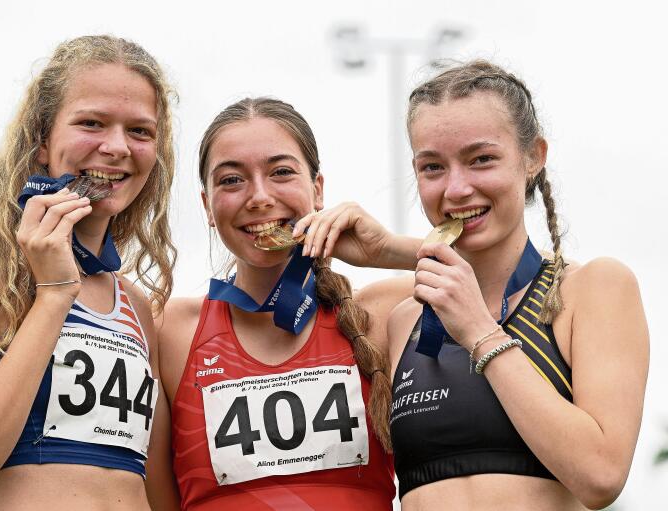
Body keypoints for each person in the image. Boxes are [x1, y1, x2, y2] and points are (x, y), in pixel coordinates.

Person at [303, 60, 649, 510]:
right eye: (432, 168)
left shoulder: (592, 290)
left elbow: (601, 475)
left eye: (481, 159)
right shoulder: (400, 312)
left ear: (533, 157)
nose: (457, 188)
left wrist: (480, 332)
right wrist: (387, 250)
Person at [0, 35, 175, 510]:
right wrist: (55, 292)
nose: (118, 146)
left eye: (141, 131)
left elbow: (161, 491)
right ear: (42, 140)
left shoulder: (137, 307)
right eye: (91, 123)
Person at [148, 97, 421, 510]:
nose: (258, 197)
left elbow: (506, 274)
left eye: (280, 172)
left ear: (317, 190)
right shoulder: (171, 329)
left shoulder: (379, 315)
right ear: (206, 205)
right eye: (231, 180)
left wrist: (389, 249)